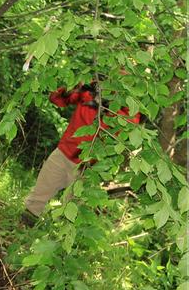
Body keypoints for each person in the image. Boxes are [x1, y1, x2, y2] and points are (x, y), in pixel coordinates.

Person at [23, 80, 141, 222]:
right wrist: (74, 85)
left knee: (72, 218)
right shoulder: (91, 88)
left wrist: (105, 105)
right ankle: (22, 230)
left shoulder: (129, 106)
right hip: (63, 153)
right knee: (35, 202)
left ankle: (61, 240)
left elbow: (129, 125)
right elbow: (57, 98)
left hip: (86, 168)